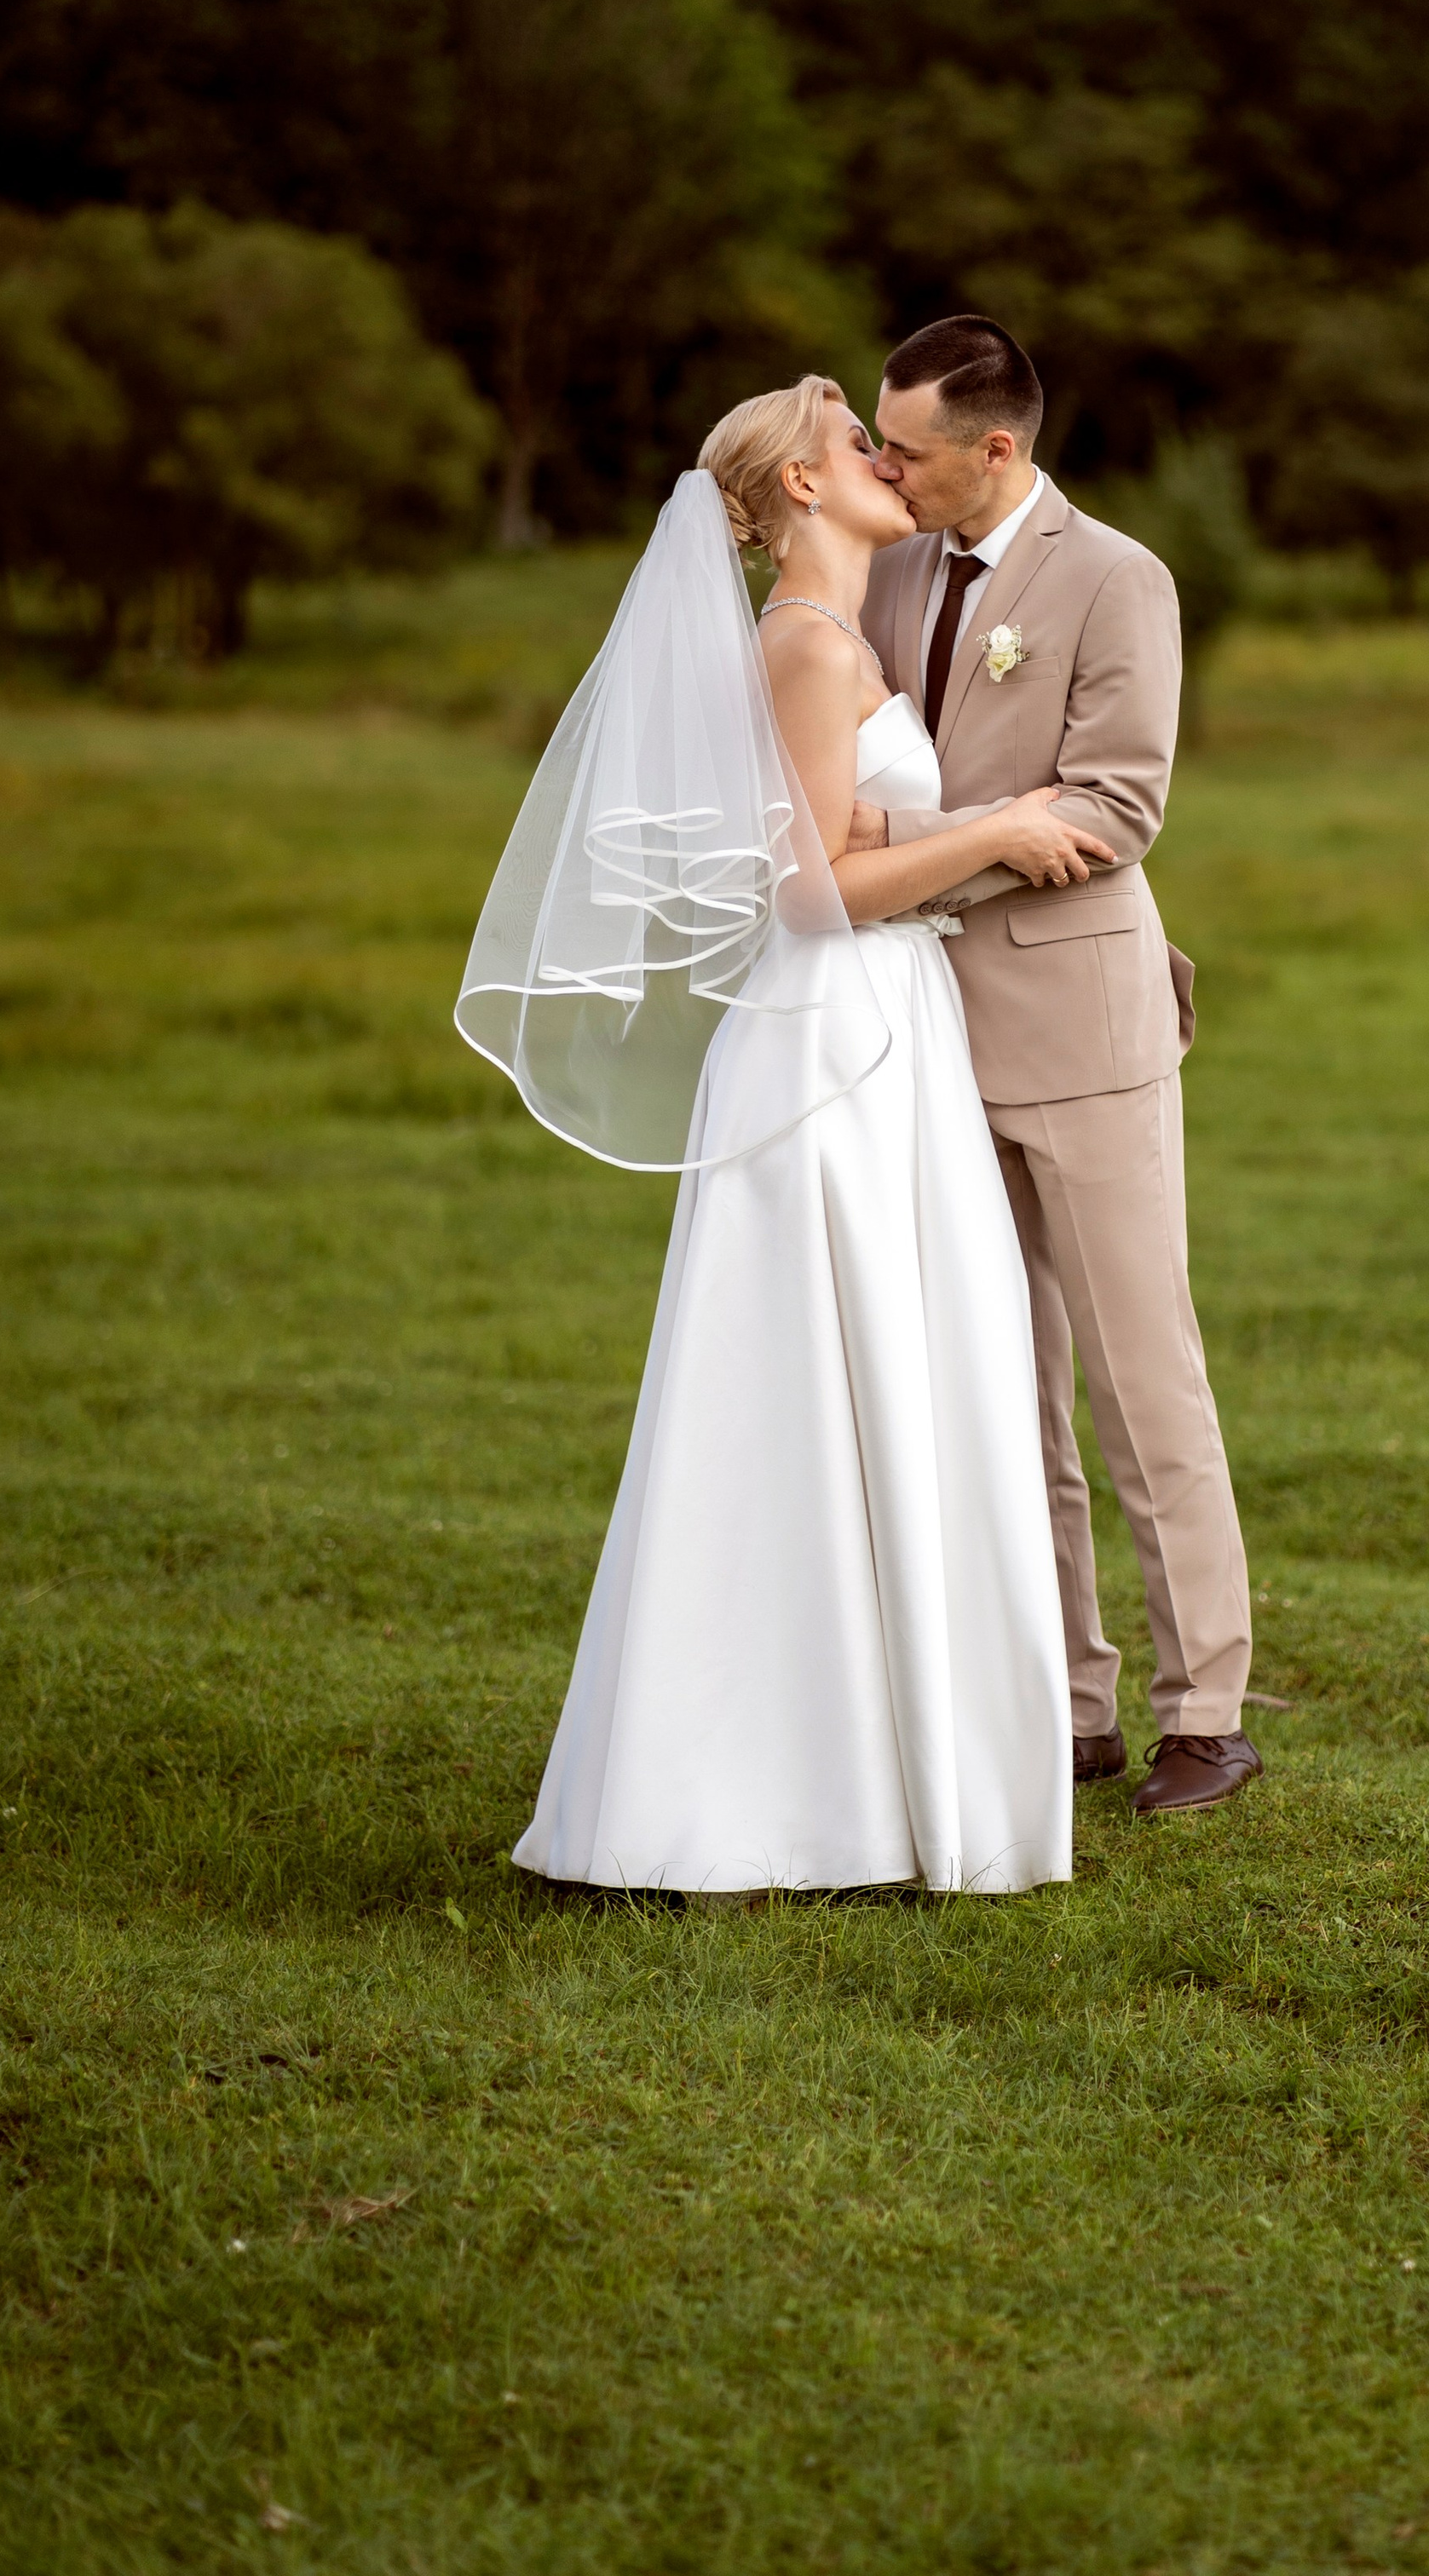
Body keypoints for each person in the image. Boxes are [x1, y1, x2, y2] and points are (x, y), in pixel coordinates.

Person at [458, 376, 1114, 1896]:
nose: (890, 466)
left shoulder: (836, 647)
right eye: (858, 448)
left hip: (881, 1032)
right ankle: (780, 1789)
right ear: (805, 493)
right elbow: (811, 894)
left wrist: (912, 839)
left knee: (891, 1376)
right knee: (815, 1395)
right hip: (833, 1037)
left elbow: (834, 842)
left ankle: (872, 1777)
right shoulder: (809, 647)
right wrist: (999, 831)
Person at [856, 315, 1259, 1819]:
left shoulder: (1117, 577)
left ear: (998, 448)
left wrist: (892, 859)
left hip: (1082, 1029)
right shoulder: (886, 568)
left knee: (1141, 1379)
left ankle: (1206, 1709)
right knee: (1005, 1385)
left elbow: (1116, 803)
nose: (888, 467)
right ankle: (1069, 1700)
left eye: (909, 448)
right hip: (917, 1036)